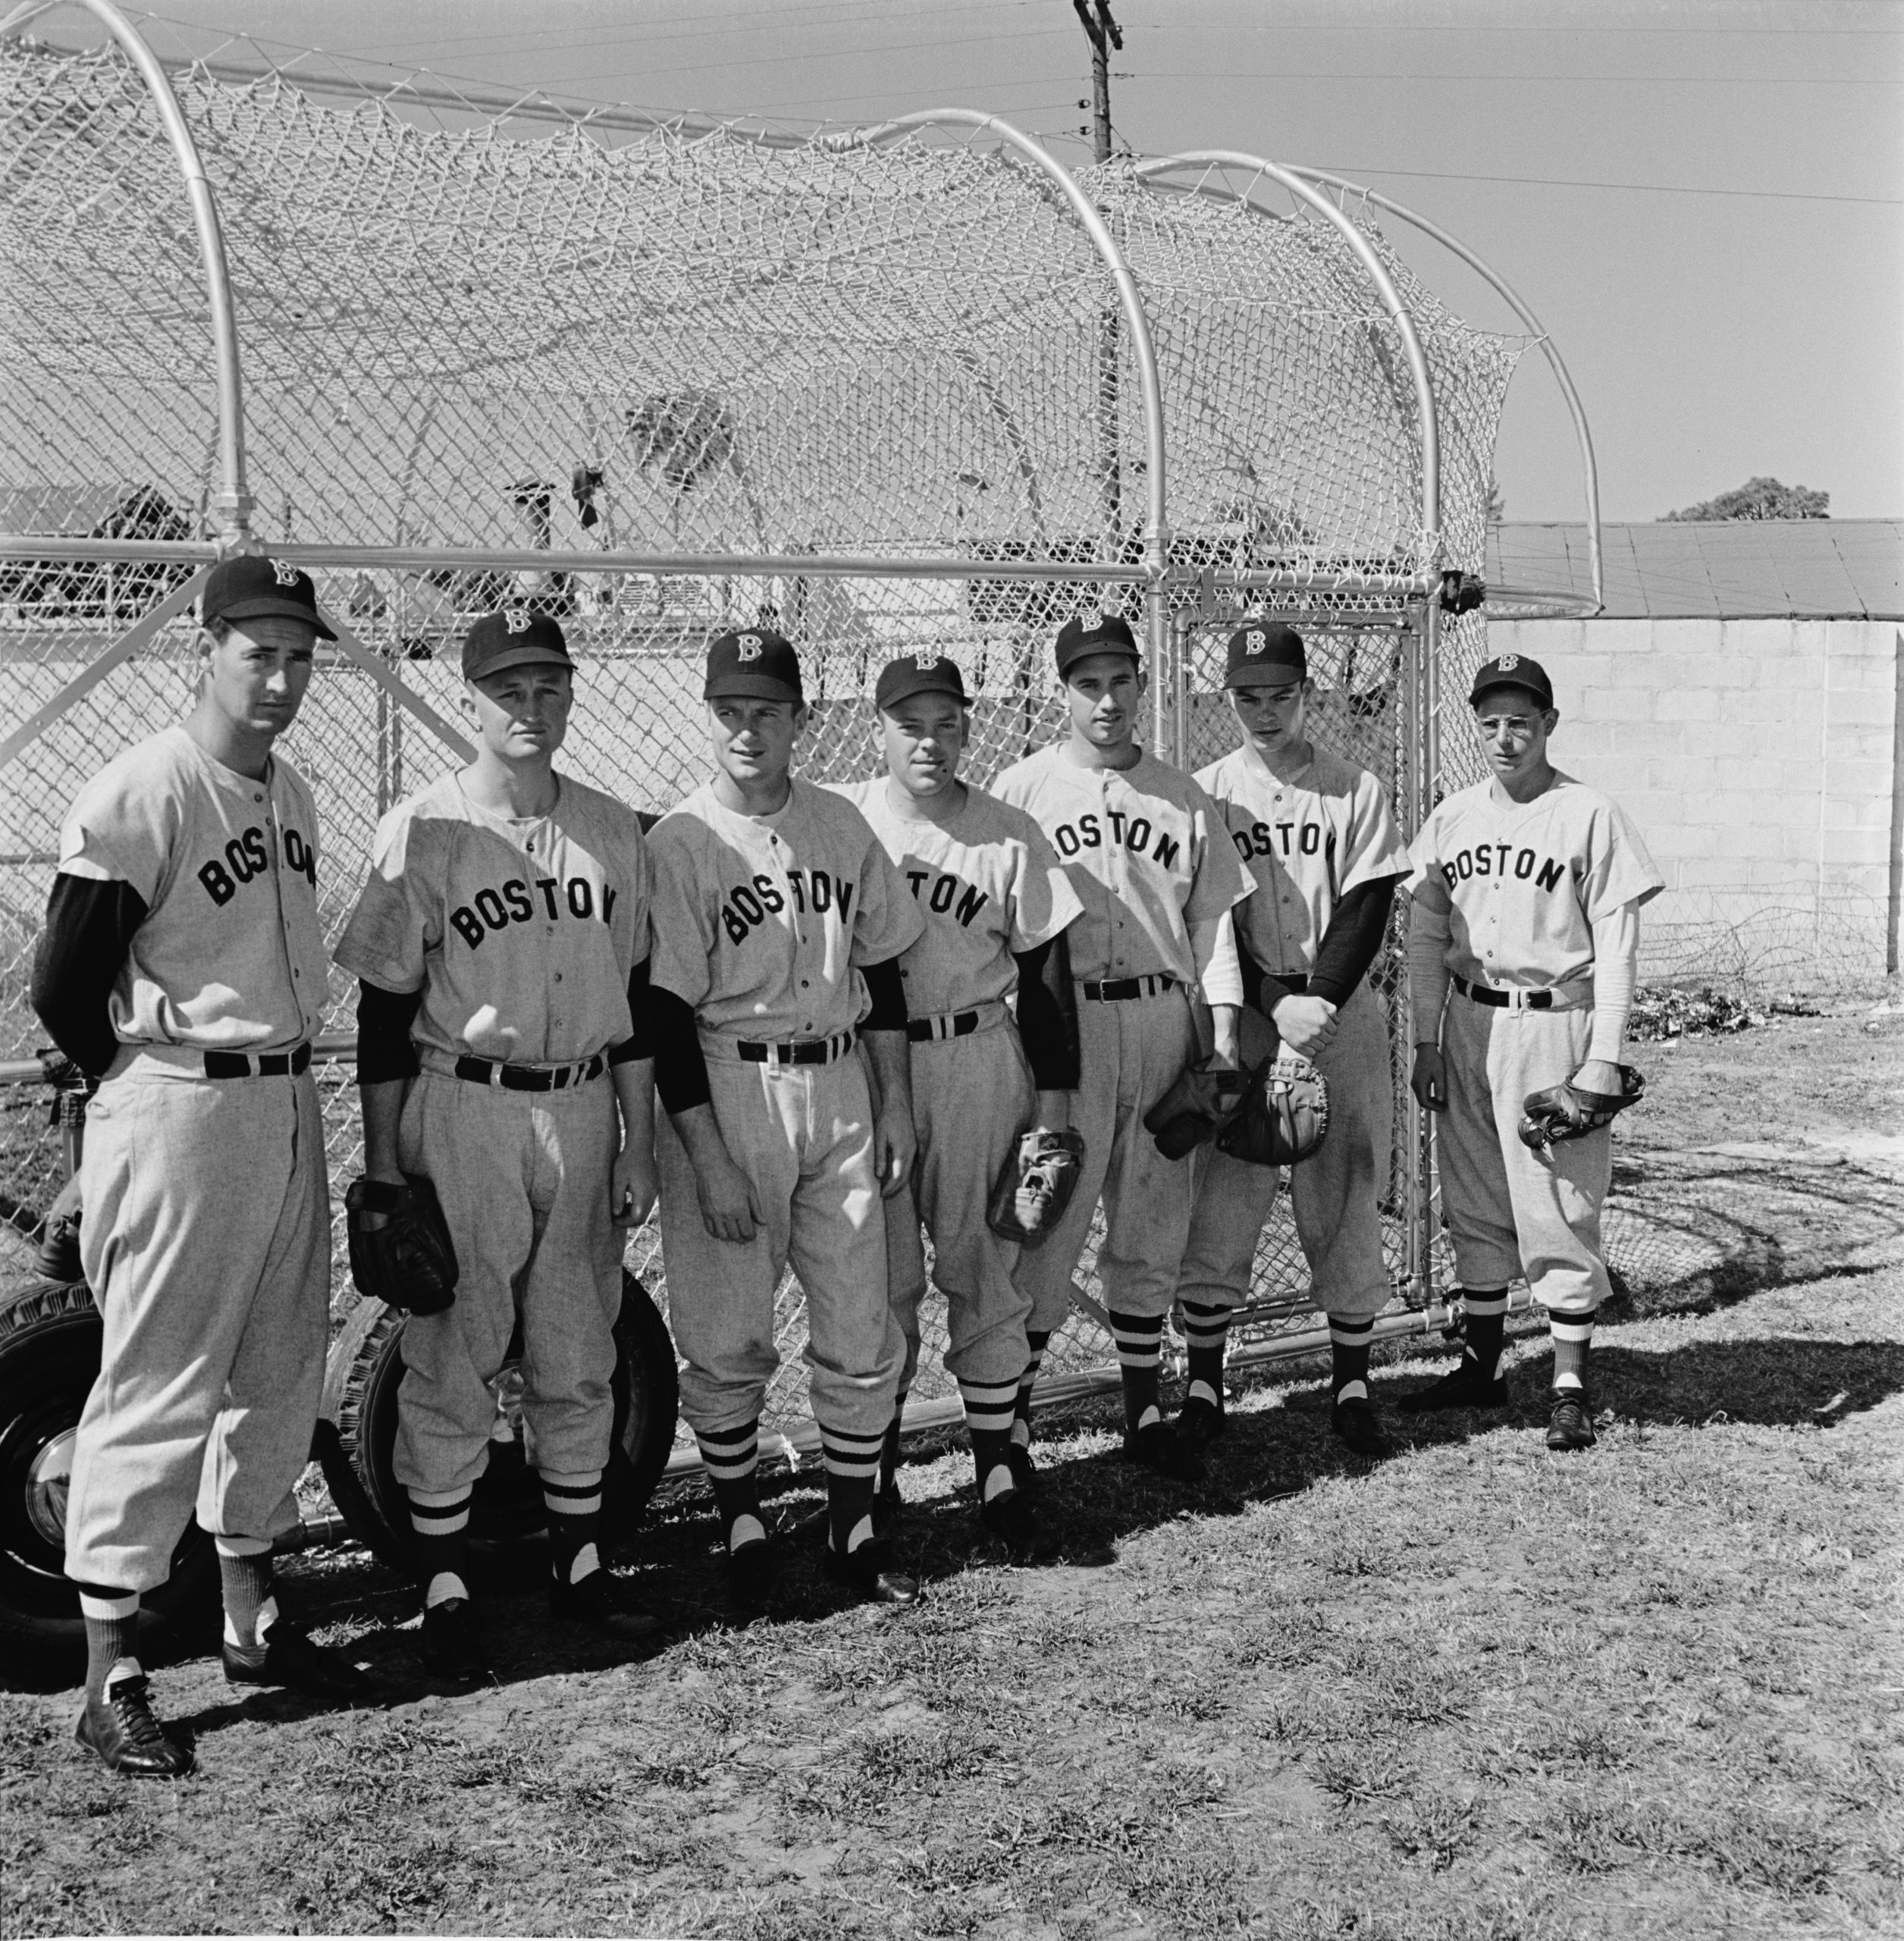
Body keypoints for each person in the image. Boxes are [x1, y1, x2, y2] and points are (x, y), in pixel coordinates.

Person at [31, 554, 374, 1780]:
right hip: (178, 1098)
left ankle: (251, 1625)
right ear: (207, 650)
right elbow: (66, 985)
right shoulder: (144, 790)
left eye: (298, 654)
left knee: (280, 1367)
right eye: (257, 651)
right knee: (160, 1381)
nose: (280, 677)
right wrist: (128, 1095)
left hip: (282, 1099)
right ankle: (110, 1672)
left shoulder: (295, 791)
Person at [334, 606, 660, 1688]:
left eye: (547, 686)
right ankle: (442, 1582)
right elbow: (383, 1015)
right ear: (469, 703)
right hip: (461, 1104)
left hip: (579, 1104)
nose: (529, 707)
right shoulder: (419, 828)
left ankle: (580, 1560)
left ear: (570, 695)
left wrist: (638, 1143)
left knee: (579, 1340)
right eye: (506, 689)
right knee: (456, 1344)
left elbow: (639, 1008)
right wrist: (386, 1167)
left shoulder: (614, 829)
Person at [645, 628, 926, 1607]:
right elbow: (663, 1016)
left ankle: (851, 1527)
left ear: (801, 718)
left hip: (840, 1077)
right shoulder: (679, 842)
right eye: (730, 710)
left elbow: (883, 973)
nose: (747, 728)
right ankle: (741, 1517)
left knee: (861, 1310)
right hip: (728, 1080)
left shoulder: (841, 825)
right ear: (709, 715)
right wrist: (706, 1155)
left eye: (766, 709)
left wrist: (891, 1101)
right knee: (725, 1329)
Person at [991, 610, 1254, 1484]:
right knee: (1048, 1215)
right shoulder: (1020, 790)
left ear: (1144, 685)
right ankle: (1013, 1420)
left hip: (1159, 1015)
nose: (1107, 700)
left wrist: (1217, 1028)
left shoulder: (1181, 795)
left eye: (1120, 681)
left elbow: (1210, 924)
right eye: (1087, 683)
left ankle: (1144, 1406)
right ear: (1063, 690)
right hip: (1064, 1027)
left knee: (1151, 1217)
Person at [831, 652, 1083, 1560]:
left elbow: (1047, 976)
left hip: (980, 1052)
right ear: (878, 730)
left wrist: (1053, 1107)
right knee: (881, 1276)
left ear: (968, 729)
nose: (929, 741)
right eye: (910, 724)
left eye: (945, 723)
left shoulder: (1008, 832)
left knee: (986, 1265)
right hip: (868, 1065)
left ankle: (999, 1463)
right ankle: (881, 1464)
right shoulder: (842, 818)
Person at [1403, 654, 1662, 1450]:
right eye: (1492, 722)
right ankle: (1481, 1367)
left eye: (1521, 720)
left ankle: (1570, 1383)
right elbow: (1422, 937)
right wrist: (1424, 1037)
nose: (1506, 737)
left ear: (1549, 723)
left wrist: (1604, 1058)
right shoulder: (1452, 817)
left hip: (1558, 1023)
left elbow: (1617, 948)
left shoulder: (1588, 812)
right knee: (1475, 1195)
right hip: (1473, 1020)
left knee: (1559, 1198)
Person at [1177, 623, 1411, 1457]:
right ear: (1227, 698)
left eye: (1281, 694)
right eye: (1249, 695)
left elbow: (1369, 903)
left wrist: (1315, 1003)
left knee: (1346, 1185)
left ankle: (1351, 1380)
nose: (1265, 710)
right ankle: (1205, 1382)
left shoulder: (1355, 788)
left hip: (1339, 1015)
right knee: (1223, 1193)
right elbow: (1208, 920)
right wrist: (1275, 1007)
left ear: (1307, 693)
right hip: (1240, 1015)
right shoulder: (1204, 793)